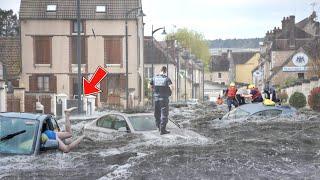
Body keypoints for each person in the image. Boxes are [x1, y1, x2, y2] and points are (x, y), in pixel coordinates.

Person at [150, 66, 173, 135]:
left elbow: (149, 86)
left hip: (156, 98)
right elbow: (171, 87)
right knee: (164, 114)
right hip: (164, 99)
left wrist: (155, 92)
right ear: (165, 71)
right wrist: (169, 93)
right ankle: (163, 130)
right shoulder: (166, 79)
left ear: (160, 70)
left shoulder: (154, 78)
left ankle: (158, 128)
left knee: (157, 114)